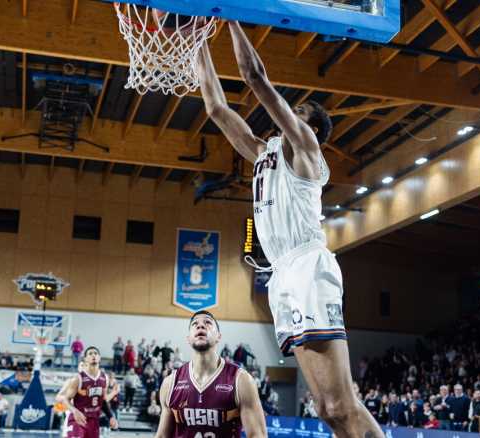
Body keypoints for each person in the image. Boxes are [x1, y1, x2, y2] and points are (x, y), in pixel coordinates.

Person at [196, 22, 383, 438]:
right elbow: (216, 109)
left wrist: (228, 15)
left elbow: (255, 77)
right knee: (328, 410)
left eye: (297, 112)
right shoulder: (265, 153)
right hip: (280, 273)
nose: (288, 113)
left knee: (339, 403)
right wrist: (196, 41)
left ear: (311, 129)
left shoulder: (307, 151)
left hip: (307, 265)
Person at [154, 311, 266, 438]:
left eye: (207, 322)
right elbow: (162, 435)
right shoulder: (170, 383)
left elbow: (257, 434)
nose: (200, 326)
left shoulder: (241, 380)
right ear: (188, 339)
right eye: (195, 324)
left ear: (218, 336)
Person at [55, 346, 118, 438]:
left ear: (99, 358)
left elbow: (103, 401)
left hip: (94, 421)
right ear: (85, 360)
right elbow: (62, 398)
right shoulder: (76, 379)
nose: (93, 355)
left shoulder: (105, 378)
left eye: (95, 353)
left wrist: (111, 416)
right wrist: (74, 410)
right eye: (90, 353)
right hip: (77, 418)